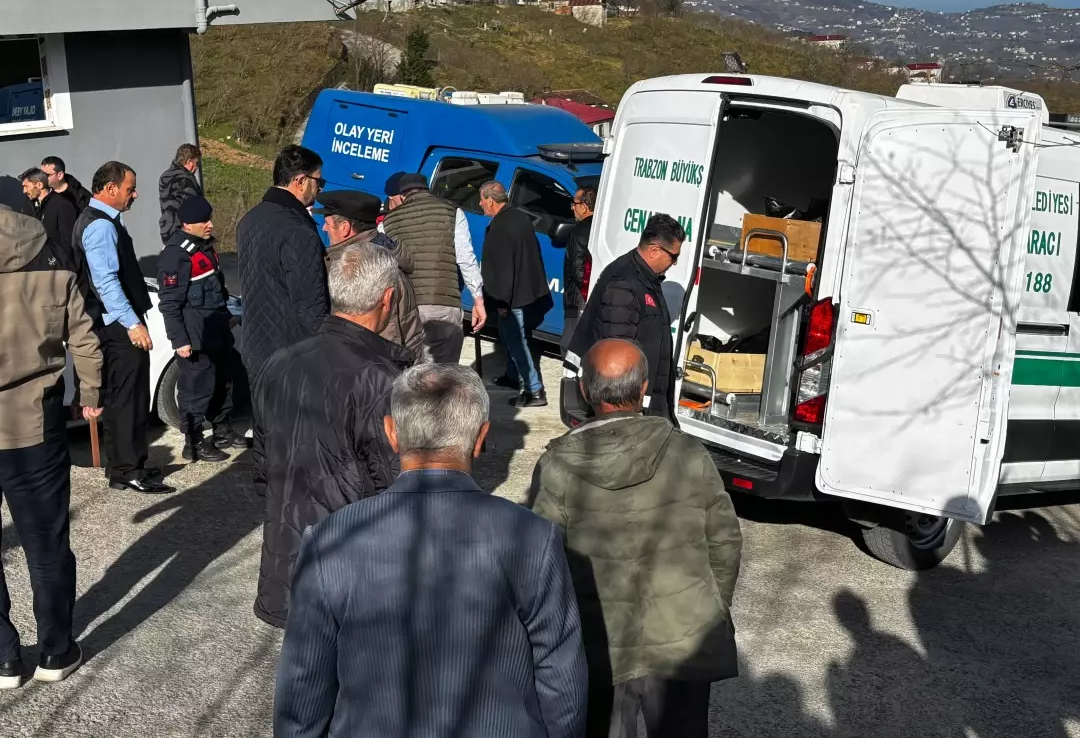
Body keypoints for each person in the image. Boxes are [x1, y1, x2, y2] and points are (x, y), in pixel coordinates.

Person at [275, 364, 587, 738]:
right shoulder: (533, 538)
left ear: (392, 433)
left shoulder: (330, 541)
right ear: (480, 437)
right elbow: (561, 677)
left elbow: (303, 688)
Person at [530, 339, 742, 738]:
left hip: (599, 642)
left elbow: (541, 564)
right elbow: (725, 542)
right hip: (682, 636)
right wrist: (711, 608)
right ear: (644, 388)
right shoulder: (688, 453)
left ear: (585, 390)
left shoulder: (556, 466)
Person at [254, 241, 413, 629]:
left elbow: (262, 463)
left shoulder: (279, 363)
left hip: (284, 562)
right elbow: (397, 491)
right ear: (387, 299)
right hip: (349, 574)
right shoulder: (382, 382)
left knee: (304, 680)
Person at [0, 192, 103, 688]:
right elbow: (83, 337)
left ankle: (3, 658)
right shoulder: (53, 264)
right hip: (34, 426)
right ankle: (55, 652)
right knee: (46, 546)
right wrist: (91, 393)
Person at [73, 161, 174, 494]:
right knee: (128, 399)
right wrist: (132, 324)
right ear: (110, 188)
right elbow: (105, 281)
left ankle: (127, 466)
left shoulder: (101, 221)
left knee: (125, 397)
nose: (135, 194)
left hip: (115, 324)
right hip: (117, 327)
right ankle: (127, 469)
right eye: (130, 188)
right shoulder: (100, 226)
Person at [237, 145, 329, 487]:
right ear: (301, 181)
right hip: (293, 348)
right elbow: (311, 304)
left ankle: (270, 495)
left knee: (265, 428)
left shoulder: (250, 220)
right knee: (296, 441)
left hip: (257, 342)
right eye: (320, 183)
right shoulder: (298, 229)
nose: (320, 191)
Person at [567, 214, 686, 420]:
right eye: (673, 256)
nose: (674, 263)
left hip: (643, 404)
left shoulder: (646, 278)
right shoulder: (624, 284)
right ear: (654, 250)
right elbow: (619, 357)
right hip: (626, 407)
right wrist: (632, 411)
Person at [156, 196, 237, 464]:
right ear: (188, 224)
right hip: (195, 338)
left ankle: (223, 432)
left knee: (223, 384)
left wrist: (227, 317)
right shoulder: (176, 254)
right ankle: (194, 443)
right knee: (196, 391)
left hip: (216, 332)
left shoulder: (204, 248)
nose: (210, 225)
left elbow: (217, 290)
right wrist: (179, 340)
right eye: (205, 221)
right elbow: (170, 304)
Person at [381, 171, 487, 364]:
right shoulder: (452, 211)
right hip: (443, 304)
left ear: (403, 195)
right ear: (427, 190)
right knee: (443, 373)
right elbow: (466, 259)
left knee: (411, 373)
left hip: (406, 307)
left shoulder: (387, 223)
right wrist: (478, 300)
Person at [314, 189, 424, 361]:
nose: (324, 228)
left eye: (327, 222)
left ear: (345, 227)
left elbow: (386, 338)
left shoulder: (367, 268)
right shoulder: (382, 256)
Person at [479, 180, 551, 408]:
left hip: (511, 297)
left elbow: (503, 270)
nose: (480, 205)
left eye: (482, 200)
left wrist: (502, 302)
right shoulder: (519, 217)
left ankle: (534, 390)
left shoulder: (500, 227)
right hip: (527, 292)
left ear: (491, 200)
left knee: (517, 341)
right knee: (508, 336)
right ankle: (512, 376)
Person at [562, 186, 596, 354]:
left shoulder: (579, 232)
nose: (572, 208)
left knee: (569, 347)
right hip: (593, 301)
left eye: (574, 204)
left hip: (577, 302)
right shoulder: (601, 228)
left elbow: (578, 271)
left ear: (584, 206)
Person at [20, 166, 77, 265]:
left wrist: (59, 264)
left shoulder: (63, 204)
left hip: (57, 267)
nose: (24, 191)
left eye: (26, 186)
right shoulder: (28, 206)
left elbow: (68, 242)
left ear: (39, 185)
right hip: (35, 266)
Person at [158, 143, 202, 244]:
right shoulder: (187, 178)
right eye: (196, 163)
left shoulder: (164, 176)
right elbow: (194, 208)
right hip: (185, 232)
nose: (196, 168)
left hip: (167, 229)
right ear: (189, 161)